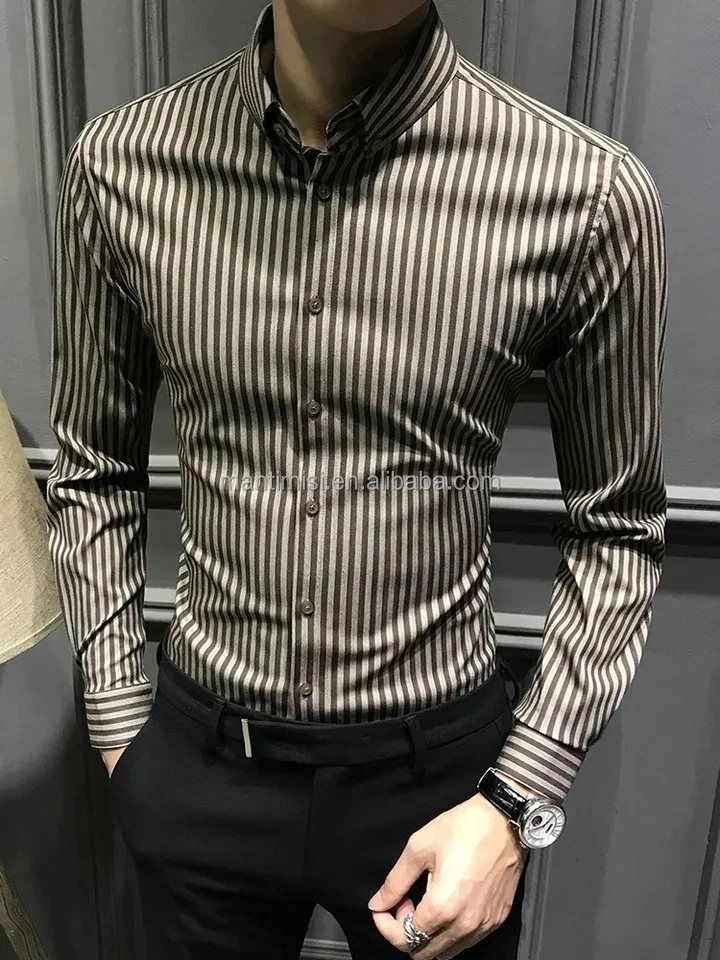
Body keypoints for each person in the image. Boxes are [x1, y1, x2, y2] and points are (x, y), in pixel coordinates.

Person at [45, 0, 667, 957]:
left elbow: (619, 526)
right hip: (198, 773)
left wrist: (516, 801)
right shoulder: (121, 166)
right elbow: (93, 469)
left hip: (445, 797)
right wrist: (125, 730)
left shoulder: (585, 193)